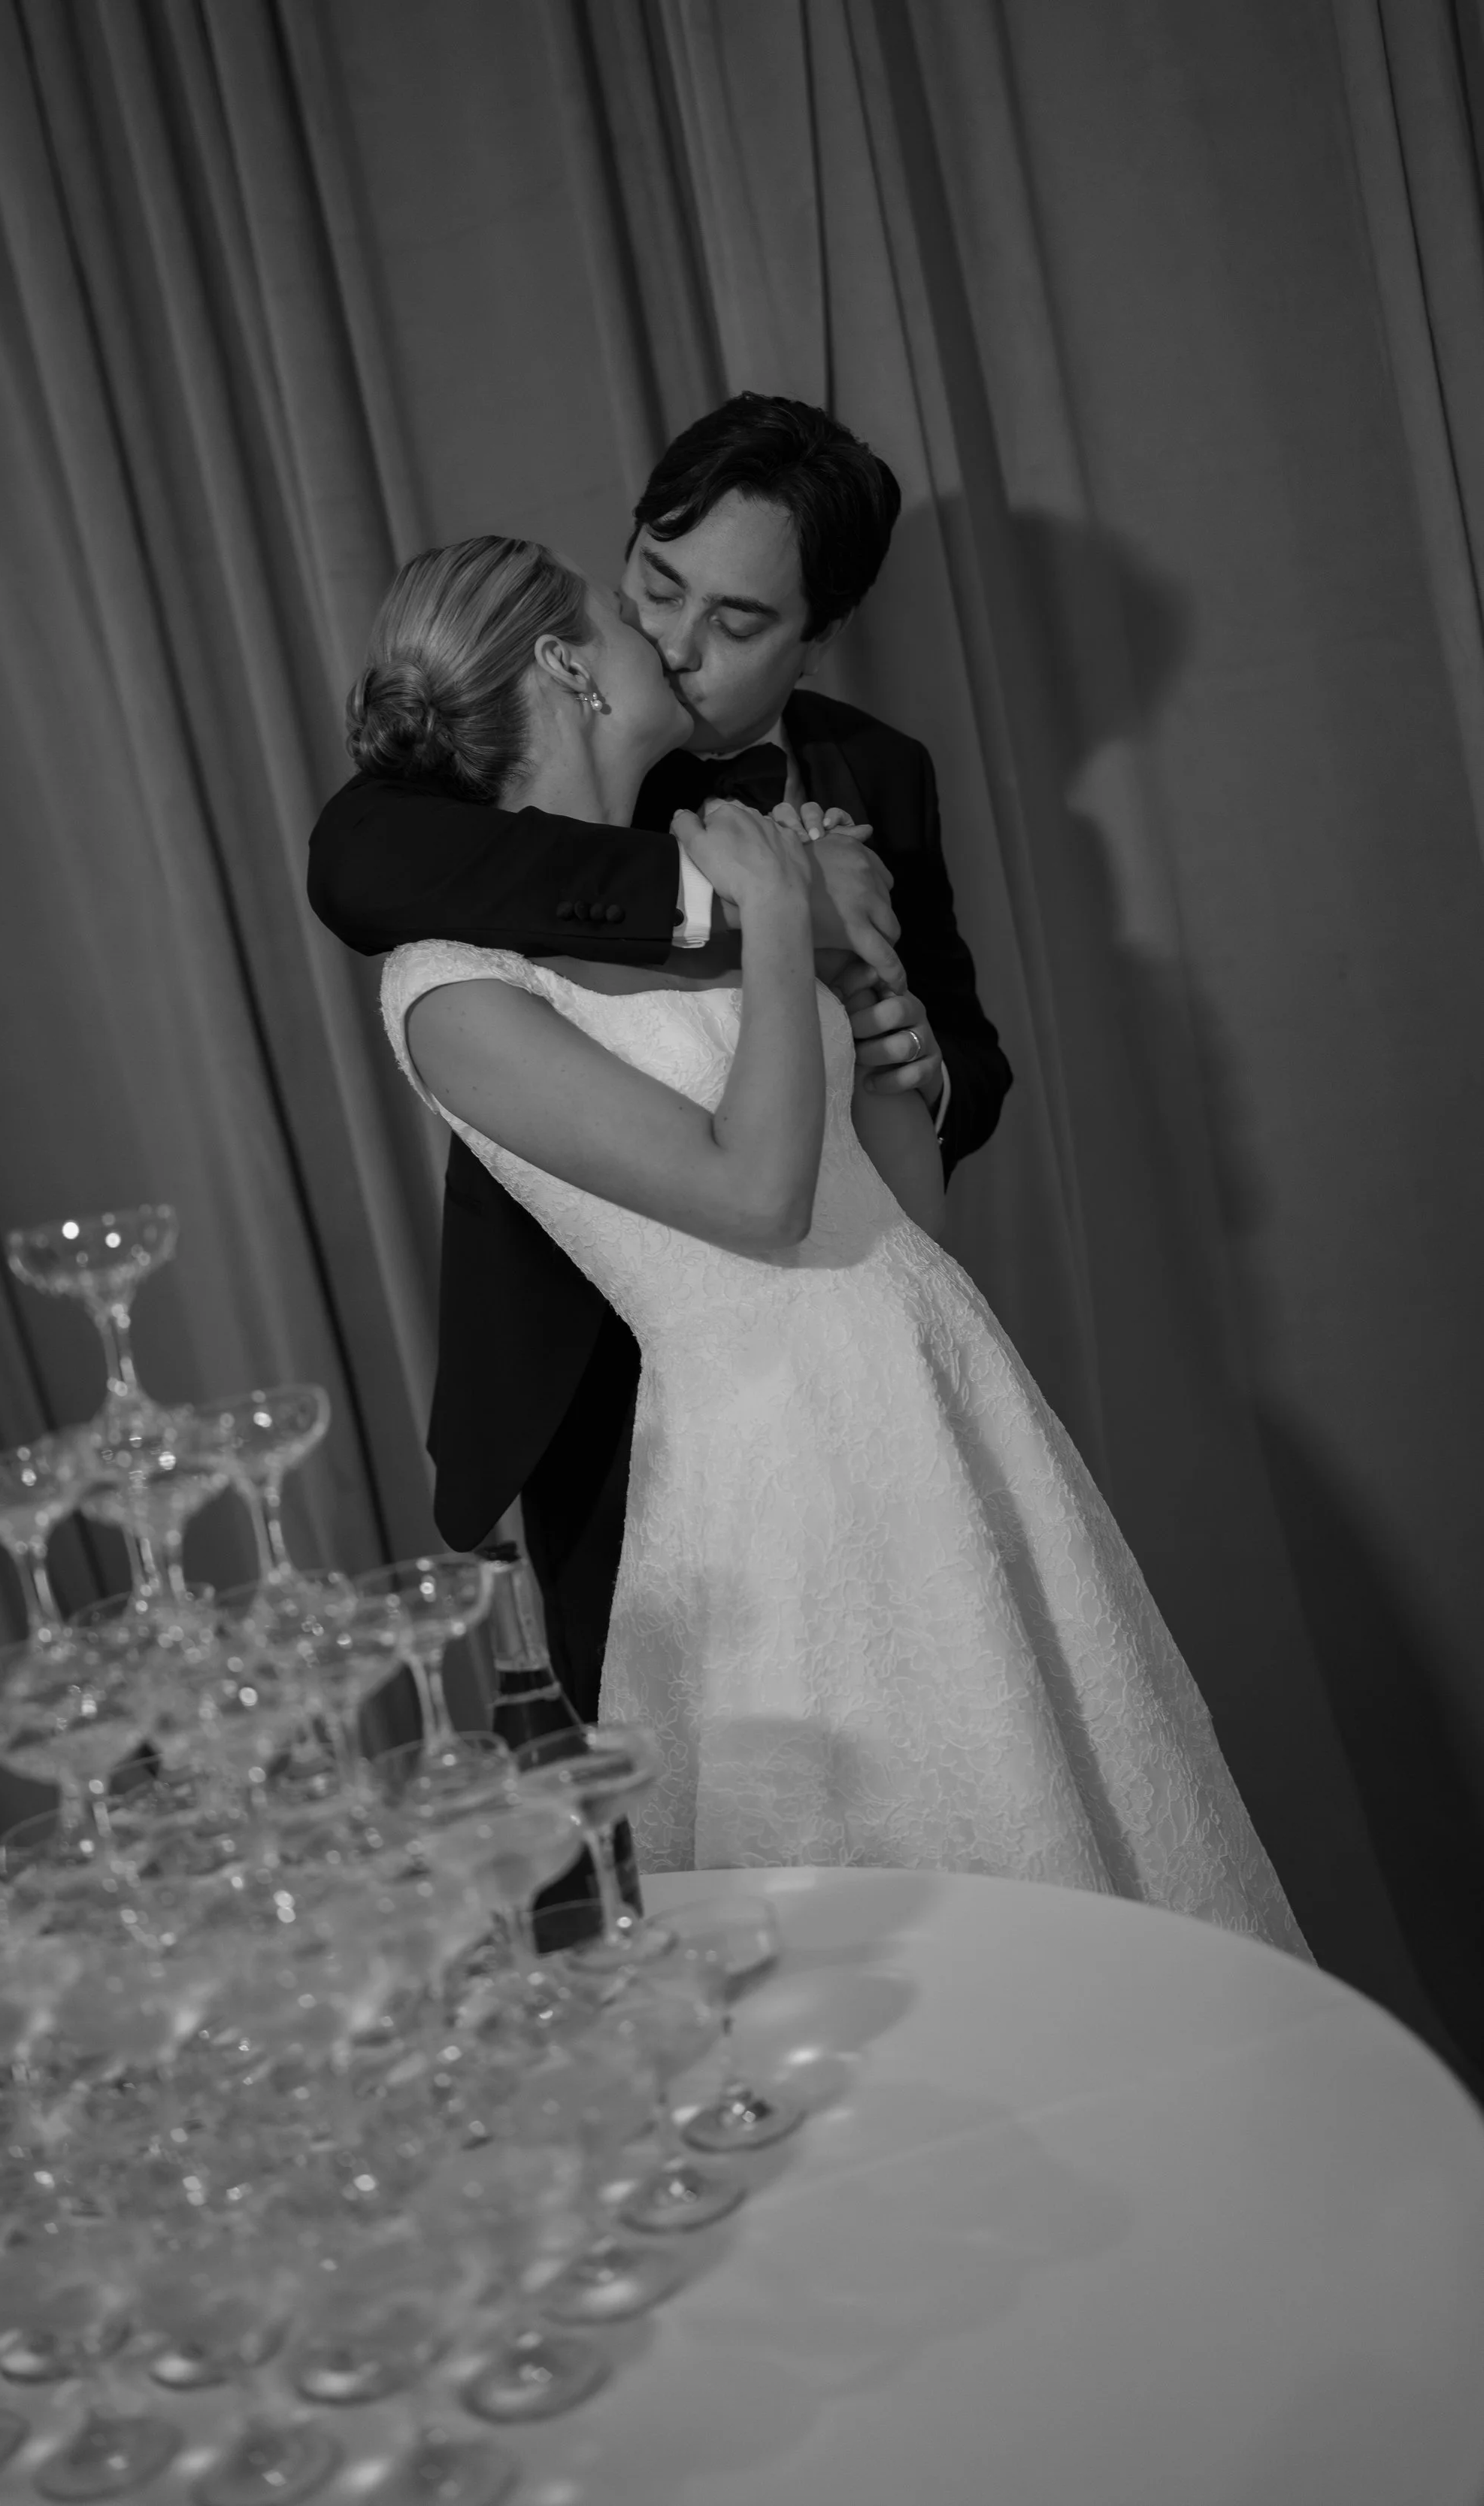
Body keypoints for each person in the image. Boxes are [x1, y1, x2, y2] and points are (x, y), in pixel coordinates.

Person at [355, 531, 1307, 1952]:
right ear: (564, 665)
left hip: (939, 1383)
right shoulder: (450, 983)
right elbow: (751, 1202)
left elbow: (891, 1218)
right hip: (769, 1453)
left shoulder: (700, 872)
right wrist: (785, 917)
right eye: (627, 617)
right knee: (899, 1895)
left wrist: (880, 1022)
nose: (662, 641)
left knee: (1079, 1820)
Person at [310, 394, 1011, 1720]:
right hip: (597, 1392)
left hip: (868, 1334)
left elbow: (966, 1050)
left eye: (738, 623)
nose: (679, 647)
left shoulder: (876, 775)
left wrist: (918, 1053)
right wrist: (745, 891)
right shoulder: (457, 793)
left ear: (816, 637)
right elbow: (353, 868)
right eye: (657, 589)